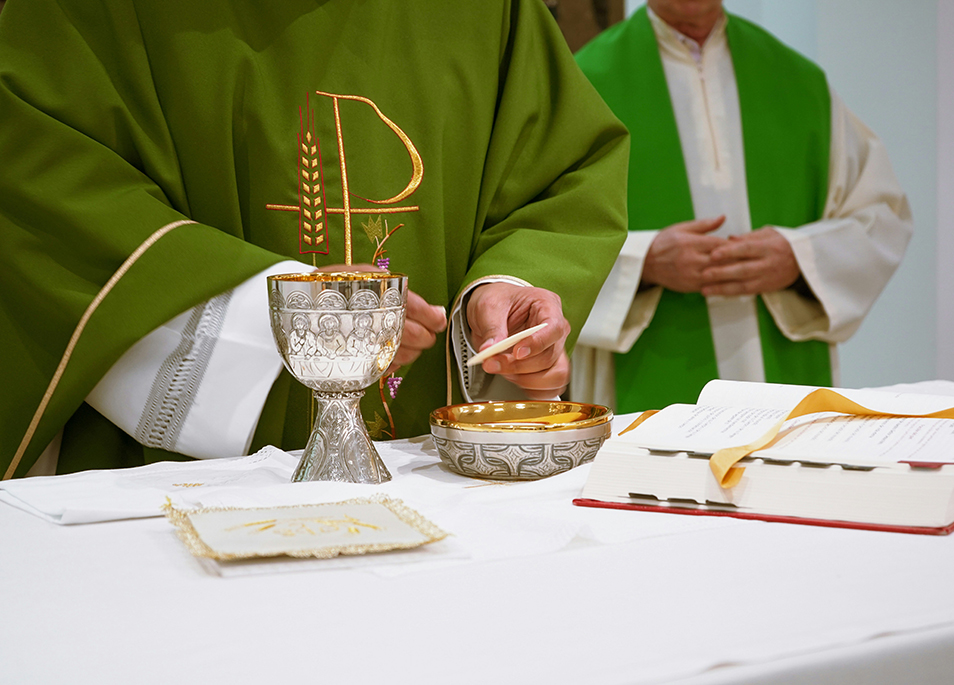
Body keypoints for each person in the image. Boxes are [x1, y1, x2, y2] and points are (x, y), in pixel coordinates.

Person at [0, 0, 628, 478]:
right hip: (185, 481)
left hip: (430, 471)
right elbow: (36, 181)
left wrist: (500, 294)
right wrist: (268, 314)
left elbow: (560, 172)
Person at [570, 0, 912, 413]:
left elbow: (883, 217)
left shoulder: (797, 79)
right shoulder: (586, 83)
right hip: (643, 372)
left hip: (780, 374)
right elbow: (545, 236)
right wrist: (643, 262)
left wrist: (798, 256)